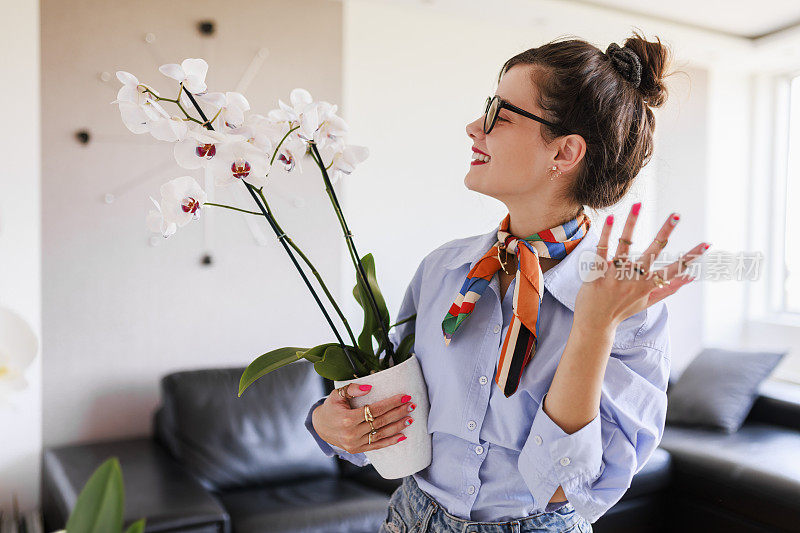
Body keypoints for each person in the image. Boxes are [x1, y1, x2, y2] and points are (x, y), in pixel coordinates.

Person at [305, 32, 707, 532]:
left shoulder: (629, 305)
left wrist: (592, 329)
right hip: (410, 518)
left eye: (500, 114)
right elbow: (388, 399)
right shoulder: (442, 270)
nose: (475, 127)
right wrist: (331, 423)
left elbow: (568, 489)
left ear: (564, 152)